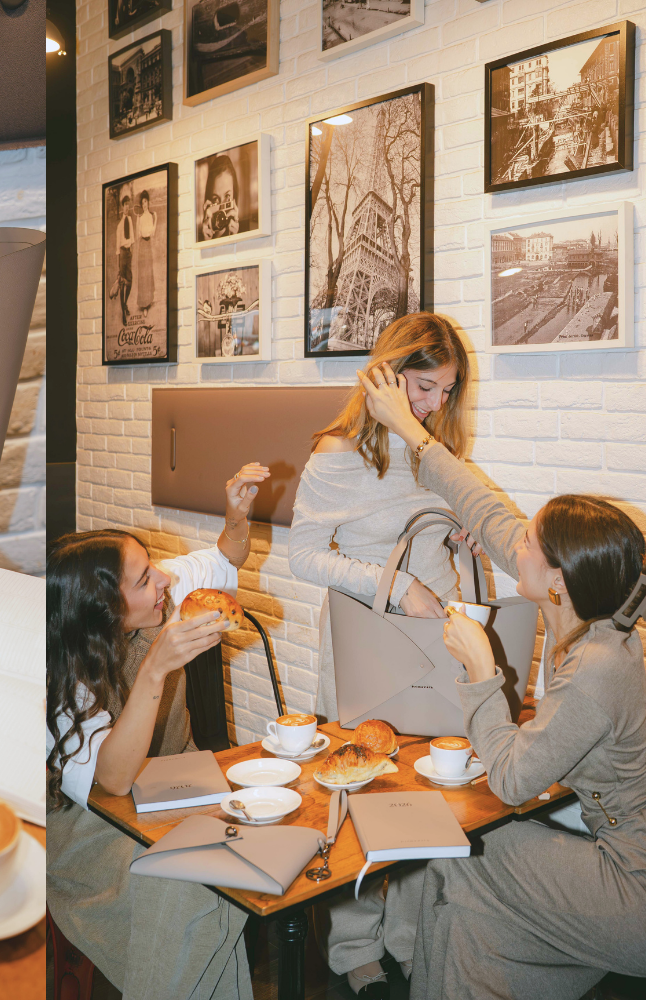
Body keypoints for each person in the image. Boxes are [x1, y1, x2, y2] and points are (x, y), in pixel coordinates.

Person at [358, 361, 646, 999]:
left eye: (530, 544)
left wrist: (482, 668)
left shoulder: (601, 664)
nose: (514, 543)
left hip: (634, 890)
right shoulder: (597, 609)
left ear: (559, 579)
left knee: (460, 849)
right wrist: (411, 431)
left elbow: (514, 782)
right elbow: (483, 508)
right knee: (474, 913)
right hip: (614, 855)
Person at [288, 312, 475, 996]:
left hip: (439, 635)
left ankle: (407, 937)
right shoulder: (339, 452)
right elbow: (304, 556)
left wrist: (459, 536)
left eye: (445, 390)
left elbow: (425, 522)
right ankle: (354, 947)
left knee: (428, 793)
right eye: (422, 387)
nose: (432, 405)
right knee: (360, 791)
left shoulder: (435, 447)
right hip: (371, 636)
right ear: (385, 378)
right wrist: (397, 586)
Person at [47, 462, 268, 1000]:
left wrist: (236, 518)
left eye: (153, 568)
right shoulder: (59, 680)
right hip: (92, 831)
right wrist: (154, 670)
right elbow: (115, 780)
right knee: (190, 888)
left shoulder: (157, 596)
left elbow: (222, 559)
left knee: (249, 849)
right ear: (102, 612)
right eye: (145, 579)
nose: (165, 579)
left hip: (182, 790)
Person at [201, 154, 240, 240]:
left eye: (227, 196)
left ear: (234, 196)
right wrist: (206, 241)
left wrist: (235, 239)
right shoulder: (200, 236)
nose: (222, 208)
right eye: (215, 199)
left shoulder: (246, 232)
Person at [112, 191, 135, 324]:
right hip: (122, 255)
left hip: (128, 253)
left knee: (130, 282)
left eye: (128, 205)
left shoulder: (130, 220)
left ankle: (125, 303)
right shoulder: (119, 226)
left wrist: (130, 253)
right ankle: (123, 314)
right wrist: (119, 266)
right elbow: (117, 249)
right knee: (121, 283)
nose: (127, 207)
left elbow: (131, 239)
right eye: (125, 205)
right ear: (122, 207)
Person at [134, 187, 157, 312]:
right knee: (142, 275)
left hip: (148, 246)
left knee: (148, 273)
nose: (144, 205)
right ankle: (143, 305)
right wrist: (137, 221)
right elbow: (139, 235)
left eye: (145, 202)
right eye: (142, 203)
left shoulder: (151, 216)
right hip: (142, 246)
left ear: (148, 202)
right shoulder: (141, 217)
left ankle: (149, 300)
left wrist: (156, 219)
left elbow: (152, 233)